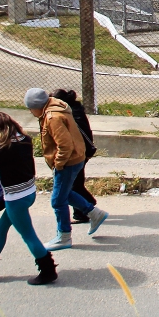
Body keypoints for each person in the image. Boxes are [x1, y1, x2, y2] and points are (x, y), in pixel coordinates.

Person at [0, 112, 58, 285]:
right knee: (0, 228)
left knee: (28, 235)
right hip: (28, 192)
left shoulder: (3, 148)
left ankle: (48, 270)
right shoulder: (25, 140)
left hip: (15, 198)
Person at [24, 87, 108, 250]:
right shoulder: (55, 107)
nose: (30, 112)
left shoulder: (52, 116)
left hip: (68, 161)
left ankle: (64, 237)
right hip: (75, 157)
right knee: (65, 193)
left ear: (37, 106)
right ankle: (94, 213)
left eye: (30, 109)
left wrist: (58, 163)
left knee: (57, 200)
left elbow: (64, 145)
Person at [51, 89, 97, 223]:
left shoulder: (69, 115)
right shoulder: (74, 110)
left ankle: (87, 206)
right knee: (76, 183)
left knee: (73, 186)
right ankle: (82, 211)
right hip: (82, 152)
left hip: (78, 154)